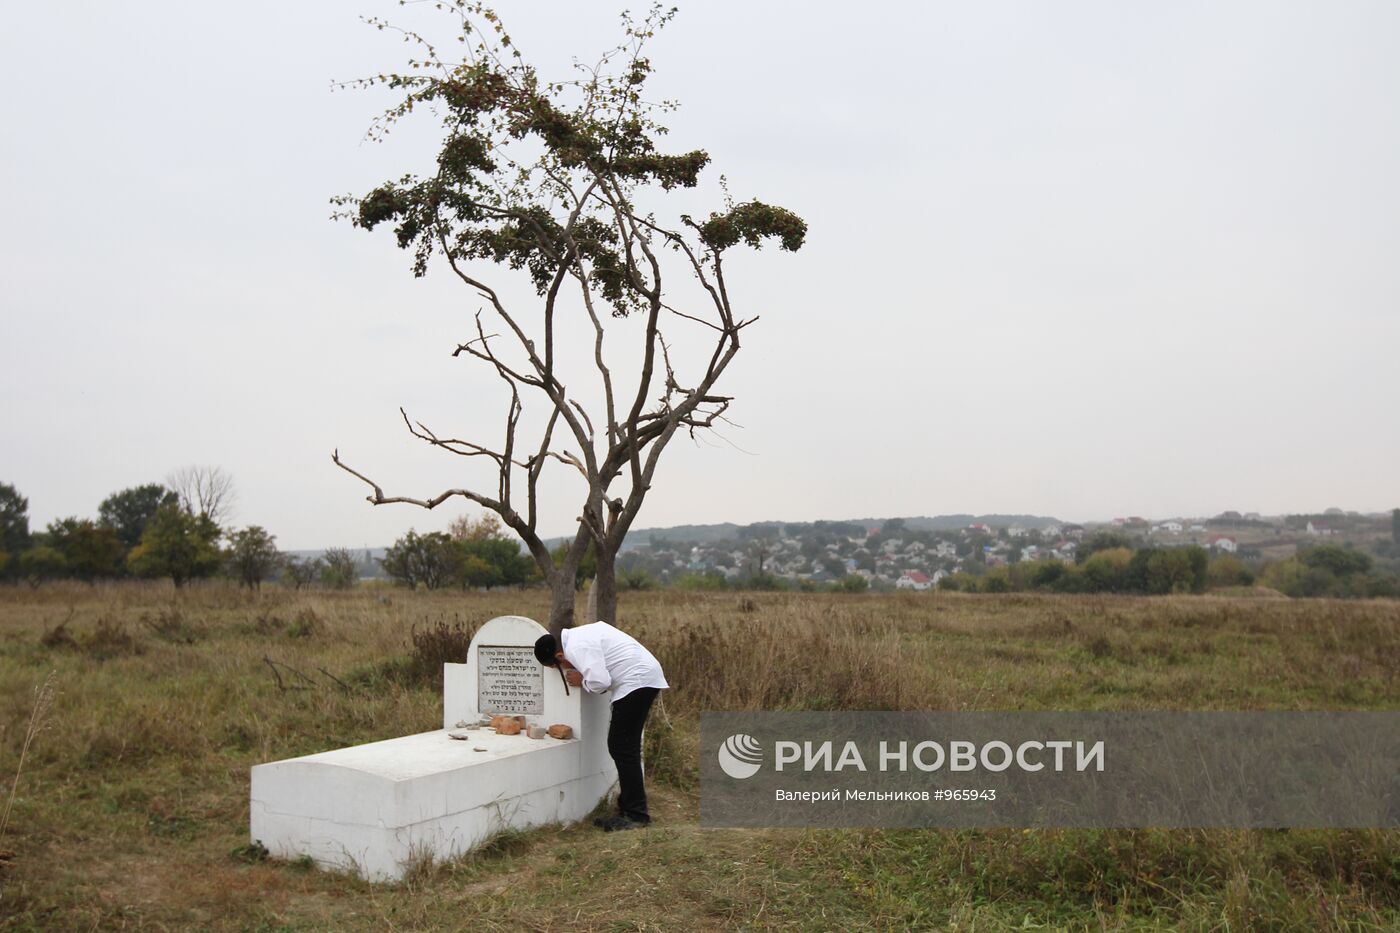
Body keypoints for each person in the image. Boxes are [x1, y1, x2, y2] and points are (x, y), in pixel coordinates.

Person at [534, 622, 668, 831]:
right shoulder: (578, 638)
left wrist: (582, 680)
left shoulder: (578, 648)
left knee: (622, 747)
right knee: (623, 747)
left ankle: (636, 815)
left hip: (637, 680)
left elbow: (600, 682)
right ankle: (628, 808)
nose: (564, 669)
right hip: (640, 678)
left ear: (560, 657)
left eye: (556, 668)